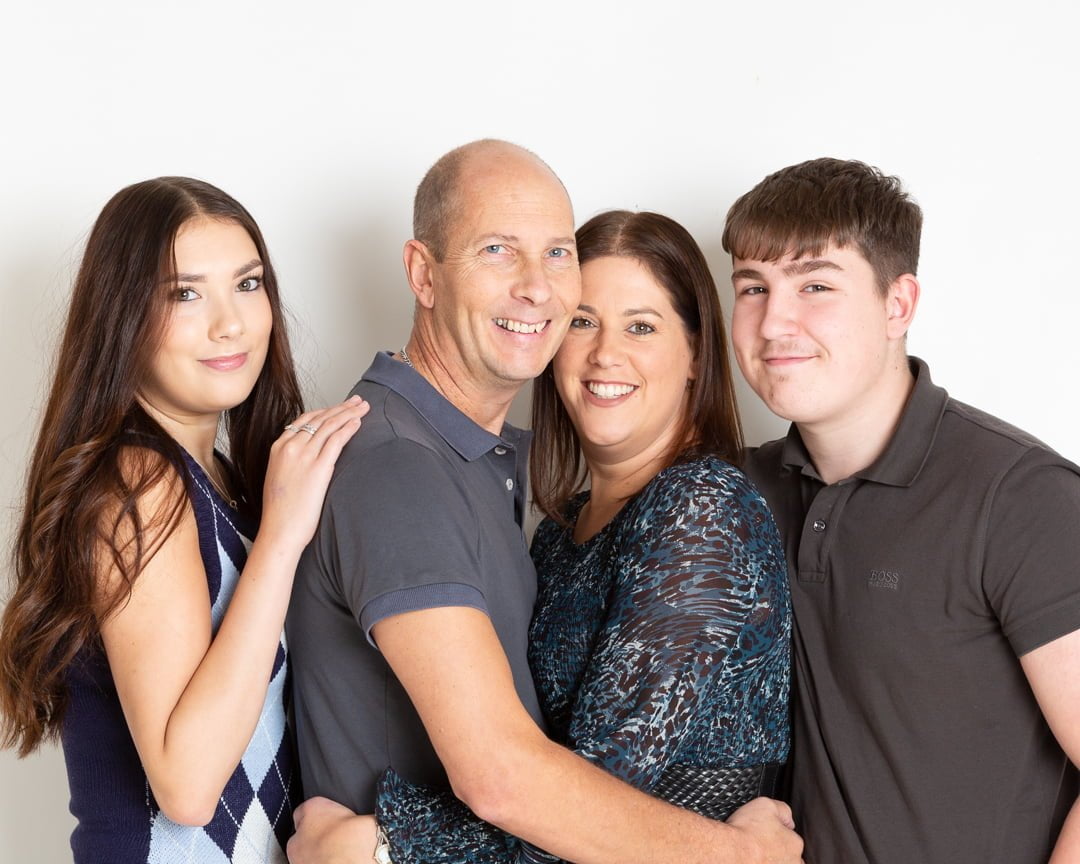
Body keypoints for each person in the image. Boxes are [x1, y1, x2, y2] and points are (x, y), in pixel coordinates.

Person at [285, 140, 803, 864]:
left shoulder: (699, 508)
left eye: (643, 326)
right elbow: (546, 800)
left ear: (696, 357)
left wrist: (374, 846)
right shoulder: (533, 521)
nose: (603, 354)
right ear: (422, 275)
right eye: (586, 321)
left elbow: (571, 801)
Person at [0, 177, 367, 863]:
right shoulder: (141, 485)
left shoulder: (218, 481)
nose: (229, 323)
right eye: (185, 294)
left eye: (248, 284)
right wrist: (284, 536)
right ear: (122, 318)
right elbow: (189, 787)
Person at [724, 157, 1080, 864]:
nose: (773, 323)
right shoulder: (736, 495)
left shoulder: (1019, 495)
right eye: (752, 288)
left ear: (899, 304)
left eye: (815, 285)